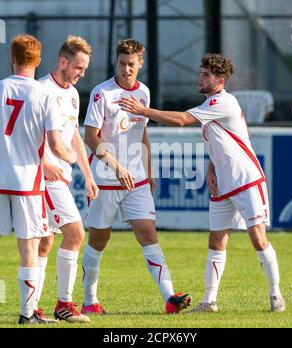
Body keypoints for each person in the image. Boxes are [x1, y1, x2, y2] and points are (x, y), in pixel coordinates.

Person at [116, 53, 286, 313]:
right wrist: (212, 169)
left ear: (219, 80)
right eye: (201, 73)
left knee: (258, 238)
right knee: (216, 240)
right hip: (224, 184)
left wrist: (143, 111)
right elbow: (225, 140)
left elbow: (182, 120)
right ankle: (209, 302)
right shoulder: (212, 103)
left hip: (246, 180)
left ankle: (276, 295)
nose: (200, 78)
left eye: (206, 75)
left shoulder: (222, 101)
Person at [81, 39, 192, 315]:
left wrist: (148, 169)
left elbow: (142, 131)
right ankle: (89, 301)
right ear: (116, 62)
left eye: (131, 64)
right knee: (99, 239)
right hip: (107, 178)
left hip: (137, 179)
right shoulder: (101, 93)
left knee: (148, 233)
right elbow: (90, 138)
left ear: (140, 63)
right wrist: (117, 166)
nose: (126, 69)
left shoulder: (143, 92)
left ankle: (170, 298)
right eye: (121, 63)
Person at [0, 34, 77, 324]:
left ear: (13, 58)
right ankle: (27, 313)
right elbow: (57, 145)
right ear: (39, 60)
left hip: (0, 177)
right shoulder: (43, 94)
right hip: (26, 182)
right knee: (29, 247)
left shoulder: (0, 88)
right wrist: (70, 157)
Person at [33, 36, 99, 323]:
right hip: (46, 177)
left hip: (62, 176)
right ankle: (65, 303)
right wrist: (45, 162)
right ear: (63, 62)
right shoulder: (40, 91)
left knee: (45, 241)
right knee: (75, 233)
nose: (81, 74)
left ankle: (31, 308)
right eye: (79, 67)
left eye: (84, 69)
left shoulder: (72, 93)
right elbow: (26, 135)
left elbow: (72, 133)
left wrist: (87, 174)